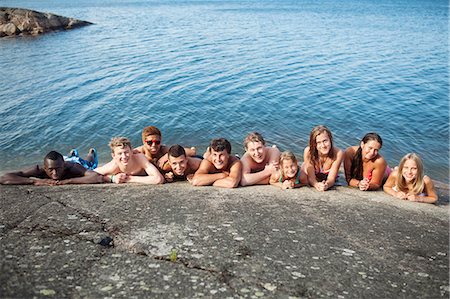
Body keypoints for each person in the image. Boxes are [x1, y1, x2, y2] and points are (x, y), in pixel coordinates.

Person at [0, 150, 104, 185]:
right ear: (44, 168)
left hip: (73, 161)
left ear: (63, 166)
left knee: (90, 164)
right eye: (50, 170)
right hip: (59, 160)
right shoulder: (38, 169)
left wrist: (69, 181)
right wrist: (35, 181)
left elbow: (96, 176)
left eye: (58, 169)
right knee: (66, 159)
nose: (54, 173)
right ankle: (72, 153)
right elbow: (4, 178)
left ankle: (91, 152)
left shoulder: (72, 166)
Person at [94, 137, 164, 184]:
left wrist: (129, 179)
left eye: (126, 152)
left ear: (132, 151)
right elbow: (91, 173)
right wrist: (112, 178)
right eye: (120, 153)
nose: (124, 156)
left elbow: (159, 179)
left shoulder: (140, 158)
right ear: (113, 156)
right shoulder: (113, 166)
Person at [303, 125, 343, 191]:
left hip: (325, 179)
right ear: (314, 144)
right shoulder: (308, 152)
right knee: (303, 176)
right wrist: (316, 184)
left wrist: (326, 185)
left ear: (330, 140)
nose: (323, 145)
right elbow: (311, 178)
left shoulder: (338, 153)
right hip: (311, 176)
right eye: (318, 142)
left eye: (325, 141)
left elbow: (331, 178)